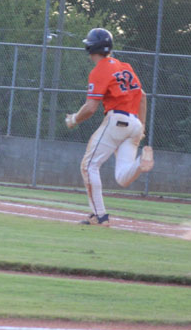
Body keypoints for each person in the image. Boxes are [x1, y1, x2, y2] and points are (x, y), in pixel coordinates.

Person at [64, 28, 155, 226]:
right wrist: (142, 126)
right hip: (135, 124)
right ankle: (140, 163)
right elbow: (143, 96)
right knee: (123, 177)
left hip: (117, 121)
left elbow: (90, 108)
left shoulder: (99, 70)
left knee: (88, 165)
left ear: (90, 47)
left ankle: (100, 216)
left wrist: (74, 120)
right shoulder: (125, 66)